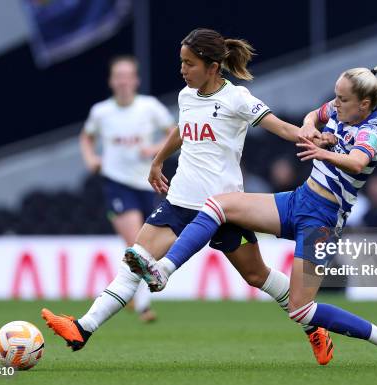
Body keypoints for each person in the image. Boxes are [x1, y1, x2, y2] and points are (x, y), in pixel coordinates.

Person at [42, 28, 337, 365]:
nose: (183, 69)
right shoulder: (187, 95)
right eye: (181, 62)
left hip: (225, 209)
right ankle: (83, 328)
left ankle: (313, 327)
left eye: (190, 63)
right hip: (179, 203)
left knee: (257, 276)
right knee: (134, 261)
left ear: (212, 67)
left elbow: (282, 128)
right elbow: (183, 129)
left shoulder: (237, 99)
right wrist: (157, 160)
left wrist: (309, 134)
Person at [130, 59, 377, 367]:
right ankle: (164, 269)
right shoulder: (341, 109)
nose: (335, 103)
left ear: (364, 103)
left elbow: (356, 162)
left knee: (301, 309)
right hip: (299, 201)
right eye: (336, 96)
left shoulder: (371, 131)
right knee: (219, 204)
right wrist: (309, 127)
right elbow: (315, 114)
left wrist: (323, 151)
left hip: (323, 220)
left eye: (342, 99)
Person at [79, 55, 176, 322]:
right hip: (116, 183)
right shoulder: (101, 112)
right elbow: (86, 137)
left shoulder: (149, 107)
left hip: (146, 184)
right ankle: (144, 305)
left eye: (127, 76)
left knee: (147, 246)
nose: (123, 81)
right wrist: (91, 159)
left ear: (136, 80)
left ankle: (135, 296)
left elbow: (174, 132)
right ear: (112, 81)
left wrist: (155, 149)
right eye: (118, 76)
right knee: (136, 243)